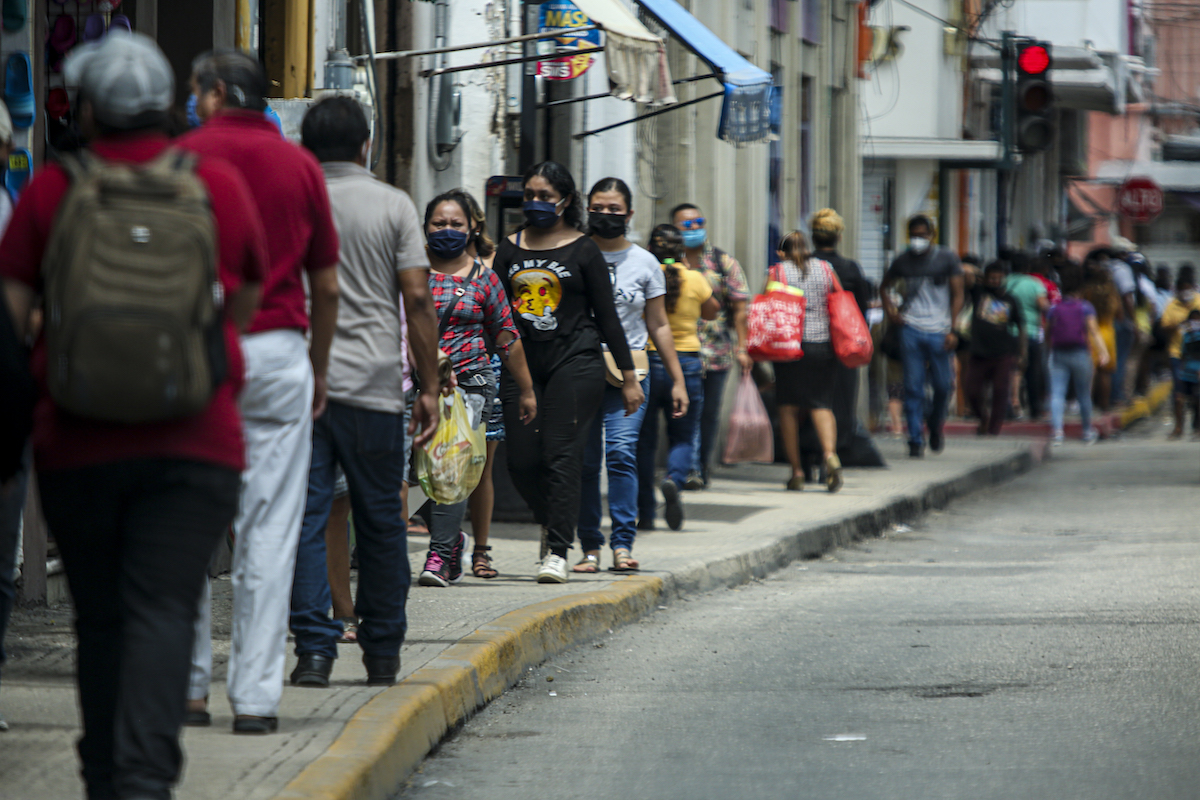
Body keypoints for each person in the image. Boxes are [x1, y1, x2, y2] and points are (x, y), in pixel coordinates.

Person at [0, 31, 267, 794]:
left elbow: (11, 314)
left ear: (85, 109)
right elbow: (244, 301)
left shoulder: (54, 189)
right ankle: (145, 779)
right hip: (196, 443)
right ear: (165, 107)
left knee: (104, 615)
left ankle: (104, 772)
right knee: (162, 607)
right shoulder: (214, 183)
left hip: (79, 442)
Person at [181, 49, 341, 733]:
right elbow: (327, 286)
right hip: (279, 353)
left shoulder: (182, 155)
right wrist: (320, 366)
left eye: (195, 89)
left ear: (215, 93)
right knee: (269, 529)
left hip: (196, 351)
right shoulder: (299, 166)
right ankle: (255, 700)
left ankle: (188, 691)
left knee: (184, 522)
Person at [286, 96, 440, 691]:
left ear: (306, 145)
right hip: (375, 388)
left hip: (303, 384)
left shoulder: (294, 200)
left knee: (305, 517)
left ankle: (314, 652)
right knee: (380, 521)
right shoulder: (393, 205)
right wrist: (427, 385)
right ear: (365, 145)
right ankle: (382, 652)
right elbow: (418, 300)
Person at [493, 161, 639, 584]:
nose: (536, 203)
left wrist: (629, 378)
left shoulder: (583, 250)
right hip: (521, 364)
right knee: (520, 460)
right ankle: (554, 519)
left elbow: (608, 317)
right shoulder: (510, 247)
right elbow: (499, 314)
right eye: (530, 196)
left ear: (565, 200)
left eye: (545, 196)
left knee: (561, 454)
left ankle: (557, 549)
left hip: (575, 362)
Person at [418, 189, 536, 586]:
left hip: (470, 384)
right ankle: (447, 542)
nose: (447, 231)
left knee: (452, 468)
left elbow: (506, 335)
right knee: (408, 472)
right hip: (414, 384)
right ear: (425, 227)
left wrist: (526, 388)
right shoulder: (410, 273)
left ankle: (437, 556)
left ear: (471, 228)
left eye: (456, 224)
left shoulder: (485, 280)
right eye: (439, 223)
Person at [576, 178, 688, 571]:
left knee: (621, 454)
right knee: (586, 462)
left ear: (630, 213)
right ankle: (589, 546)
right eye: (598, 208)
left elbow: (658, 325)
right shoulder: (574, 252)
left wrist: (677, 380)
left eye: (614, 209)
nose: (606, 215)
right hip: (580, 369)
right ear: (587, 208)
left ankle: (622, 544)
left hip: (631, 373)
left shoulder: (645, 263)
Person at [636, 224, 715, 532]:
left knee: (643, 443)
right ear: (680, 250)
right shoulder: (695, 279)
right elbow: (711, 311)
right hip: (685, 366)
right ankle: (673, 479)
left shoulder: (642, 274)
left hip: (645, 363)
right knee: (682, 435)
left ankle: (644, 512)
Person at [671, 203, 751, 489]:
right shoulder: (669, 262)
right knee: (684, 410)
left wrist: (742, 348)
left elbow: (740, 308)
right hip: (679, 351)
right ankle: (687, 468)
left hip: (716, 353)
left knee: (708, 414)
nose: (694, 229)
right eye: (686, 225)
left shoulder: (722, 262)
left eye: (699, 223)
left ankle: (700, 466)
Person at [804, 208, 882, 472]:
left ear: (812, 236)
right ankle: (834, 452)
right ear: (838, 237)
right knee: (840, 401)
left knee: (809, 400)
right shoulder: (849, 268)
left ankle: (810, 455)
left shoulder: (800, 266)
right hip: (841, 347)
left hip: (806, 345)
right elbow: (862, 311)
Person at [880, 215, 964, 458]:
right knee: (913, 386)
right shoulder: (902, 261)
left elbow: (958, 294)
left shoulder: (947, 258)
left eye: (922, 235)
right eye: (914, 235)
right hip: (911, 329)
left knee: (942, 385)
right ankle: (915, 438)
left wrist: (953, 328)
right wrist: (891, 312)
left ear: (932, 235)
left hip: (940, 331)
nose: (918, 239)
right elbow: (884, 287)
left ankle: (935, 425)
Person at [772, 231, 845, 491]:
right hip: (822, 345)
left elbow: (769, 307)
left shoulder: (778, 272)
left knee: (788, 408)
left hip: (789, 346)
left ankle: (797, 472)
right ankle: (829, 455)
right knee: (821, 404)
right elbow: (839, 297)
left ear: (783, 251)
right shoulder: (826, 269)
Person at [463, 191, 504, 579]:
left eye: (457, 222)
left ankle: (480, 550)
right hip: (436, 372)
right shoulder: (425, 266)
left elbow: (506, 326)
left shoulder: (493, 264)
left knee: (481, 466)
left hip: (485, 369)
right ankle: (445, 542)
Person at [1047, 264, 1109, 444]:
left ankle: (1057, 433)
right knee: (1083, 394)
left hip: (1058, 353)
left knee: (1057, 393)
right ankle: (1087, 432)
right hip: (1080, 353)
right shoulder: (1085, 307)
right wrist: (1103, 352)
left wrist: (1049, 351)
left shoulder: (1054, 308)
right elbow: (1094, 331)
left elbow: (1048, 332)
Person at [965, 262, 1027, 436]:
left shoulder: (1010, 299)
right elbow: (966, 273)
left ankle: (993, 429)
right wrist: (980, 274)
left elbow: (1021, 326)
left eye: (999, 278)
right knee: (972, 391)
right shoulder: (979, 293)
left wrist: (1023, 353)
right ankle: (982, 417)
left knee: (1000, 390)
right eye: (992, 277)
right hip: (978, 352)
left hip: (1003, 353)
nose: (995, 281)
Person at [1005, 251, 1049, 421]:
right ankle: (1033, 408)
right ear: (1027, 267)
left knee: (1012, 370)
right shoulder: (1034, 284)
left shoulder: (1005, 282)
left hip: (1008, 333)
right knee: (1032, 373)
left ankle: (1012, 405)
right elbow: (1043, 306)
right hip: (1030, 332)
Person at [1160, 267, 1200, 439]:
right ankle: (1178, 428)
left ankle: (1197, 427)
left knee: (1198, 394)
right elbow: (1164, 326)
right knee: (1179, 393)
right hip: (1178, 355)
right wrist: (1180, 325)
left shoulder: (1198, 301)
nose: (1185, 292)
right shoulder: (1172, 305)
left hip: (1197, 358)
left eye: (1187, 288)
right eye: (1182, 289)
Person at [1081, 253, 1121, 415]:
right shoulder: (1112, 292)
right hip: (1108, 333)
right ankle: (1104, 405)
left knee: (1090, 373)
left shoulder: (1087, 291)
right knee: (1105, 373)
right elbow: (1120, 315)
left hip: (1091, 333)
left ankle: (1088, 405)